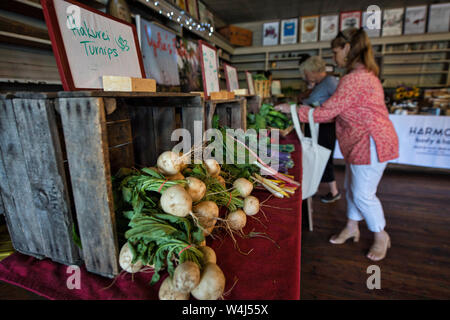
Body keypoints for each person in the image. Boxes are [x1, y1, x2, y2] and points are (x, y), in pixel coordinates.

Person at [276, 27, 399, 261]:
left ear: (347, 48)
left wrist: (292, 110)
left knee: (363, 194)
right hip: (363, 141)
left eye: (335, 51)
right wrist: (307, 111)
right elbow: (334, 113)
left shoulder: (354, 79)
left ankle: (381, 235)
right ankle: (352, 227)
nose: (333, 57)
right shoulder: (363, 76)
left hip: (369, 141)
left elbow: (327, 113)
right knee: (352, 188)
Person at [298, 56, 341, 203]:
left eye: (306, 73)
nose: (305, 76)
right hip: (316, 125)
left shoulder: (330, 82)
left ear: (313, 70)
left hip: (325, 126)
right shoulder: (320, 83)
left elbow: (338, 103)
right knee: (318, 157)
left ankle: (334, 191)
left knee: (323, 157)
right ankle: (317, 188)